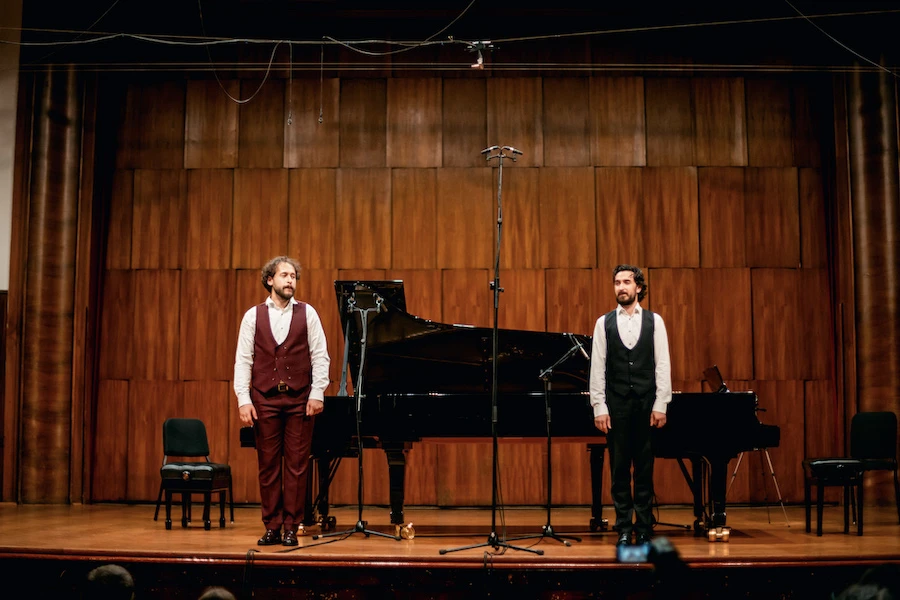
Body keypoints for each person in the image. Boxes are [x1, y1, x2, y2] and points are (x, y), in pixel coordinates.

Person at [234, 256, 331, 546]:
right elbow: (243, 360)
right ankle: (272, 526)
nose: (290, 280)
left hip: (299, 399)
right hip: (264, 399)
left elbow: (320, 355)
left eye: (293, 276)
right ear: (270, 280)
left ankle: (291, 526)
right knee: (268, 466)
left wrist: (317, 392)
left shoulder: (307, 313)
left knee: (297, 467)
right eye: (284, 275)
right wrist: (243, 398)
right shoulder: (253, 316)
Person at [589, 264, 672, 547]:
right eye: (617, 282)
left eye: (626, 282)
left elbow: (662, 364)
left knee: (645, 470)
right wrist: (599, 406)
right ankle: (624, 527)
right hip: (617, 405)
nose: (621, 287)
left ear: (638, 287)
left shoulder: (654, 321)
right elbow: (597, 367)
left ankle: (644, 527)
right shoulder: (603, 323)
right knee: (620, 469)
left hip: (647, 404)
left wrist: (661, 403)